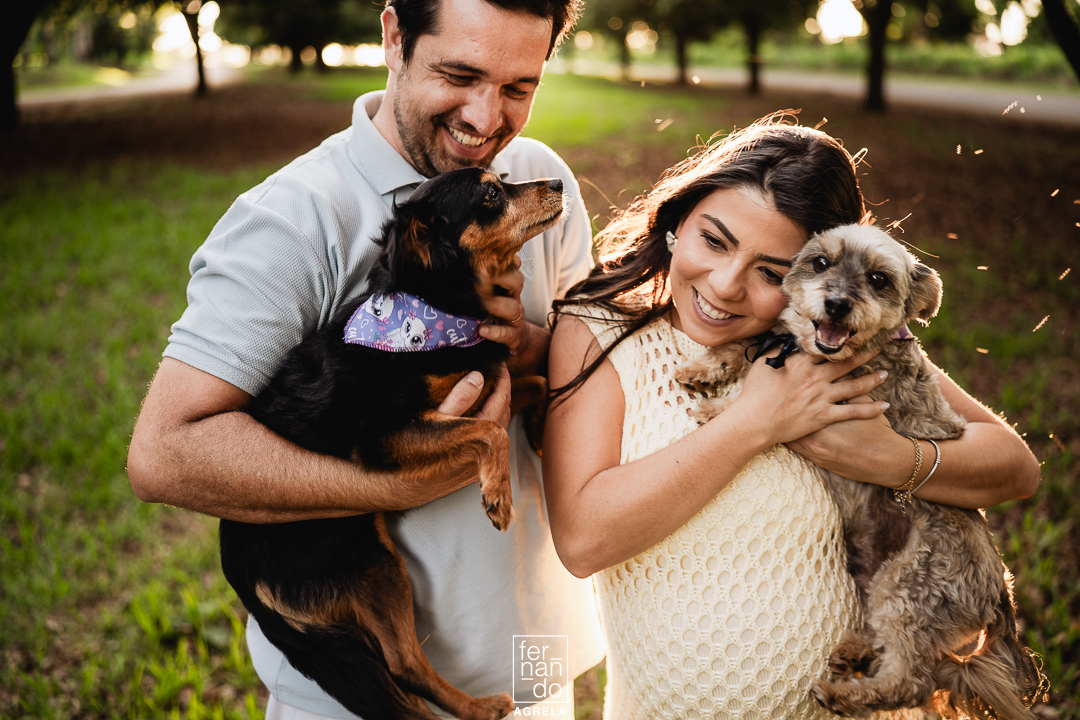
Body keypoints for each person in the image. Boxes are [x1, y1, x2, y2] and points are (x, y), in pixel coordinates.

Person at [126, 0, 606, 717]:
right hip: (357, 691)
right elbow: (165, 454)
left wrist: (540, 349)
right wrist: (394, 485)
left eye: (518, 88)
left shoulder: (536, 177)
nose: (486, 119)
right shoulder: (290, 219)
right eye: (460, 74)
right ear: (393, 37)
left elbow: (582, 409)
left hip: (533, 658)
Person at [541, 116, 1041, 720]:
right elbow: (583, 538)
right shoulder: (601, 335)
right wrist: (754, 421)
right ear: (678, 221)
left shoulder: (844, 348)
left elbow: (1016, 468)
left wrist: (885, 457)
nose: (725, 286)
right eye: (714, 240)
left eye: (772, 273)